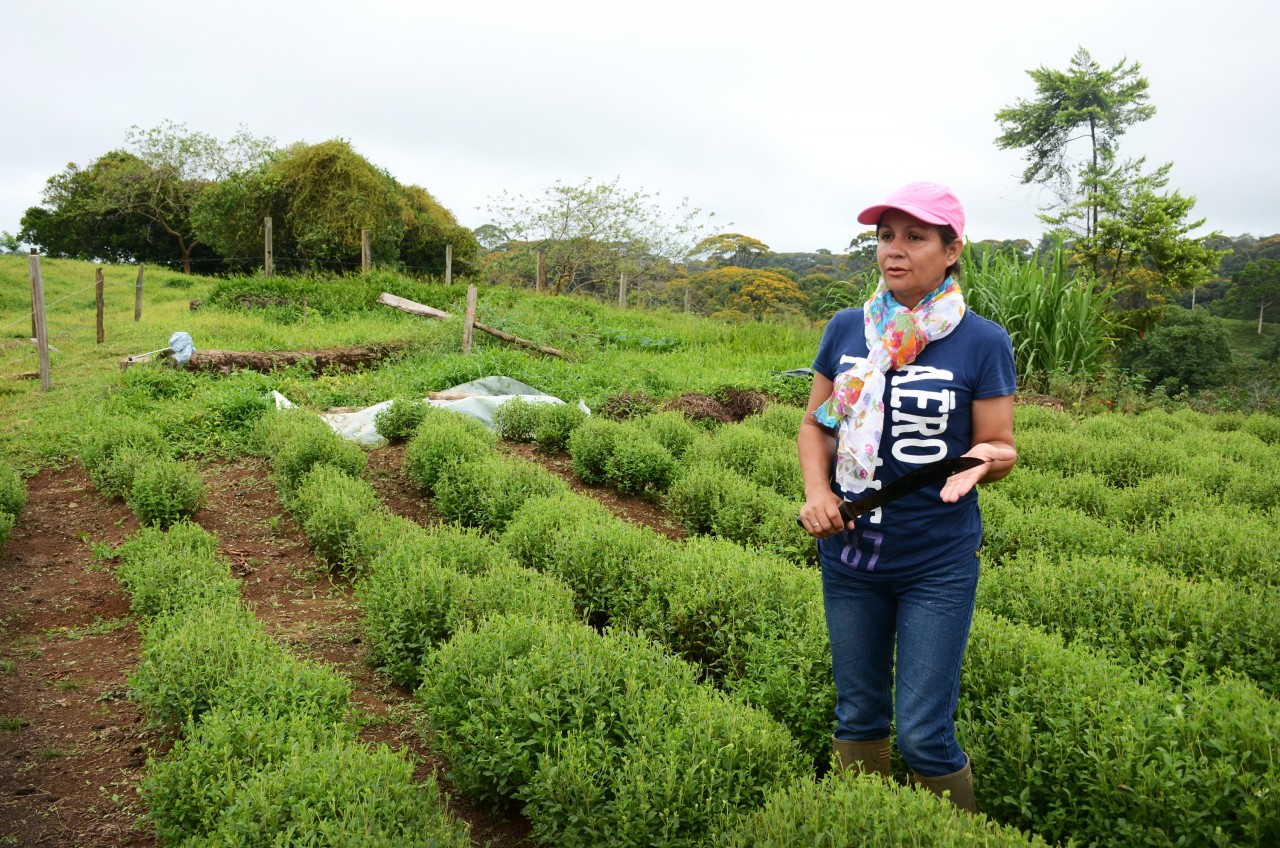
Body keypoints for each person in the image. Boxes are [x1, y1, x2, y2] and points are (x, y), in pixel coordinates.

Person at [797, 181, 1017, 813]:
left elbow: (998, 445)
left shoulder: (981, 342)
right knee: (858, 712)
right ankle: (866, 823)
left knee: (925, 734)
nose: (894, 251)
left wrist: (985, 466)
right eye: (885, 236)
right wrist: (818, 491)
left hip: (935, 563)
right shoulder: (848, 330)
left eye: (915, 237)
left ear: (951, 250)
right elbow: (818, 424)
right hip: (849, 555)